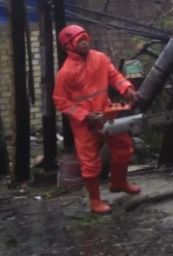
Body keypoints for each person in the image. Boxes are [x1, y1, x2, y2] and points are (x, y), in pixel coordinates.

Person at [53, 25, 140, 214]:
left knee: (123, 147)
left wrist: (127, 88)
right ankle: (95, 200)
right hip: (84, 123)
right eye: (78, 40)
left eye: (85, 38)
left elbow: (114, 75)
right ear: (69, 45)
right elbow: (61, 101)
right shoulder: (65, 73)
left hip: (106, 114)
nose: (84, 42)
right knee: (90, 162)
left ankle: (119, 182)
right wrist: (84, 115)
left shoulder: (99, 58)